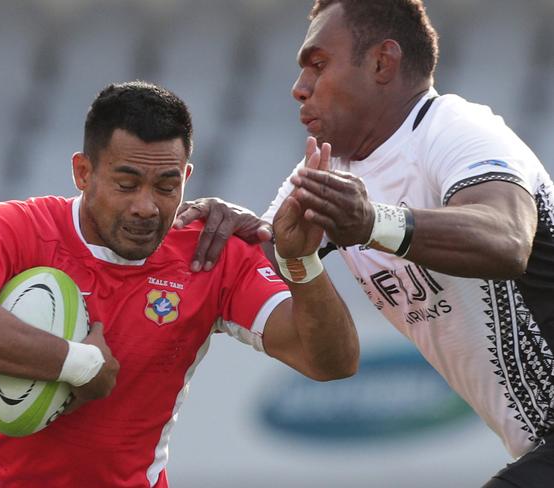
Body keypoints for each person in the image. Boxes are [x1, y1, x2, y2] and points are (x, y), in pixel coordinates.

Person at [0, 81, 359, 487]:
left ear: (187, 177)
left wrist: (299, 262)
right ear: (83, 172)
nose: (147, 206)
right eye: (127, 184)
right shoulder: (18, 229)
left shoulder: (210, 254)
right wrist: (77, 364)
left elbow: (331, 362)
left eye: (166, 185)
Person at [175, 1, 554, 486]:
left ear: (381, 62)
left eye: (318, 64)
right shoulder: (326, 169)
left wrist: (374, 221)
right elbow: (258, 263)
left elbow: (507, 240)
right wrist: (227, 232)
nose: (299, 88)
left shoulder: (456, 130)